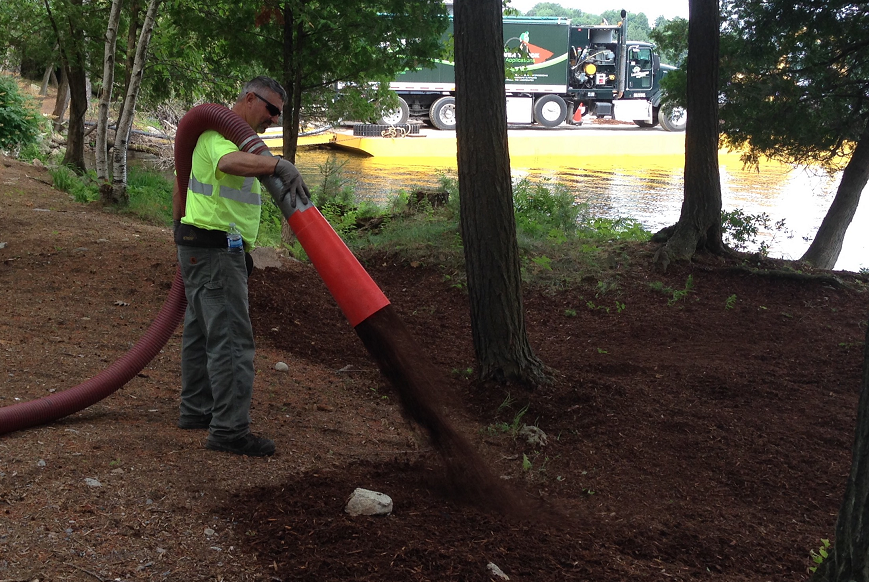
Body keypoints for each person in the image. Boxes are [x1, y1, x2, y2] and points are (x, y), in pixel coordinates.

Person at [171, 76, 308, 457]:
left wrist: (178, 231)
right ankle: (229, 430)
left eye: (280, 113)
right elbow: (228, 163)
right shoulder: (218, 136)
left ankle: (196, 410)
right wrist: (278, 164)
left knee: (201, 334)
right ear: (249, 98)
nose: (274, 119)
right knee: (231, 339)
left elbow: (180, 185)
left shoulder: (219, 137)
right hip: (215, 252)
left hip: (204, 248)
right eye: (271, 110)